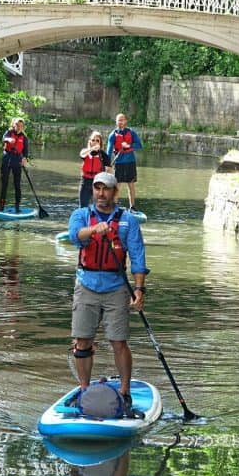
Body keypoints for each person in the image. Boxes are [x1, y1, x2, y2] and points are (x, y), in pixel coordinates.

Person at [67, 172, 148, 411]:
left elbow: (137, 256)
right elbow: (75, 236)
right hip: (86, 285)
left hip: (116, 287)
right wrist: (93, 230)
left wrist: (139, 289)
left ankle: (124, 391)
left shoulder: (128, 221)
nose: (101, 194)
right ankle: (84, 390)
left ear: (115, 192)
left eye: (106, 189)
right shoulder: (81, 215)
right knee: (82, 341)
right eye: (97, 188)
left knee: (118, 341)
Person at [107, 113, 143, 212]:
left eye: (122, 120)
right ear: (116, 122)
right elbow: (109, 151)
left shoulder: (131, 133)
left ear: (125, 121)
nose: (120, 122)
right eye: (119, 120)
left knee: (131, 184)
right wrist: (107, 164)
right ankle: (114, 205)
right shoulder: (112, 135)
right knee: (117, 185)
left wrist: (129, 146)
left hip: (130, 162)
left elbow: (140, 145)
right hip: (119, 162)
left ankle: (132, 206)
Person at [0, 117, 30, 212]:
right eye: (17, 125)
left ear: (23, 127)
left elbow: (25, 152)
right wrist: (8, 139)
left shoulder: (24, 138)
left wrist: (24, 159)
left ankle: (17, 206)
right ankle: (1, 206)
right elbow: (4, 139)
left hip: (17, 160)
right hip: (7, 158)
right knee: (4, 183)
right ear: (14, 125)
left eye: (21, 126)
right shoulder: (9, 132)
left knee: (17, 184)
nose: (19, 127)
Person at [78, 131, 112, 208]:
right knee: (83, 206)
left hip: (97, 183)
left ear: (100, 143)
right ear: (90, 141)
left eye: (97, 140)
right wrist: (91, 149)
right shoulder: (85, 152)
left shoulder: (103, 156)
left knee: (97, 207)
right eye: (93, 140)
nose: (95, 142)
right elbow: (82, 154)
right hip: (85, 182)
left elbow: (109, 170)